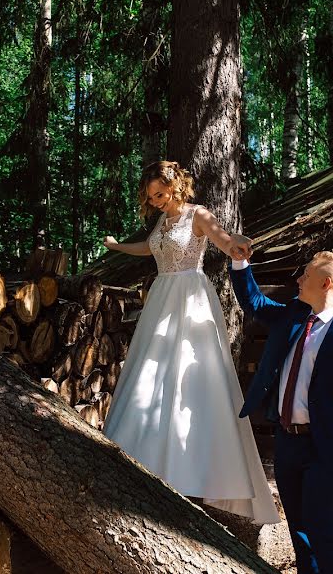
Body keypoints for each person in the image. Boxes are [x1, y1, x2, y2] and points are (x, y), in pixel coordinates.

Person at [101, 160, 280, 525]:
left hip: (189, 298)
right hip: (160, 300)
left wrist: (237, 245)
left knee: (191, 380)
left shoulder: (198, 214)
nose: (155, 202)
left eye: (161, 194)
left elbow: (223, 238)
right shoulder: (162, 220)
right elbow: (150, 250)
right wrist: (119, 247)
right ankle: (144, 462)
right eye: (151, 197)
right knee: (150, 377)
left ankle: (193, 472)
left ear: (177, 186)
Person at [229, 251, 333, 574]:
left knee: (321, 530)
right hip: (288, 442)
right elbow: (254, 303)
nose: (298, 280)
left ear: (325, 283)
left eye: (306, 275)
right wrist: (240, 263)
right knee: (299, 532)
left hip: (326, 447)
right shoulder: (294, 315)